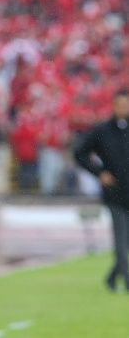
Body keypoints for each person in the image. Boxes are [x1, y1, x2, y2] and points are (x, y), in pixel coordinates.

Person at [75, 89, 129, 292]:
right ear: (114, 106)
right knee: (121, 239)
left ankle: (112, 277)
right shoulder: (102, 131)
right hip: (115, 194)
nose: (123, 108)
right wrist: (99, 173)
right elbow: (79, 153)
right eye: (120, 105)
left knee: (126, 243)